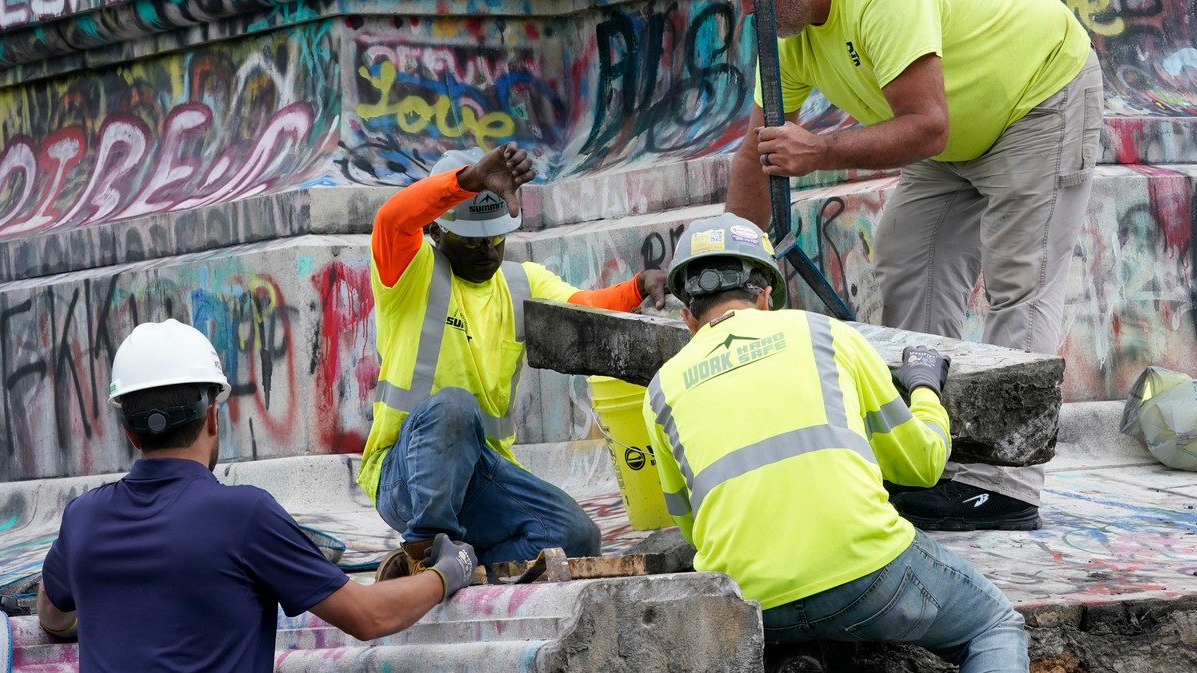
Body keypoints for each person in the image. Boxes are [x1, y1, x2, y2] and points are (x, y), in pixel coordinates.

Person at [725, 0, 1104, 531]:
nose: (747, 6)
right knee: (906, 262)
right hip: (954, 132)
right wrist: (723, 267)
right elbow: (755, 153)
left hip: (1037, 98)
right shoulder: (784, 35)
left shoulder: (880, 6)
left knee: (1021, 283)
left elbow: (927, 126)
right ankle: (925, 457)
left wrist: (820, 151)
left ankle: (1006, 485)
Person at [643, 214, 1029, 672]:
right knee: (994, 625)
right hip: (866, 573)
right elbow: (922, 464)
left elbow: (691, 525)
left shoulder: (659, 391)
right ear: (767, 296)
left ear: (688, 318)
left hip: (750, 599)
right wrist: (924, 385)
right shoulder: (826, 335)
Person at [36, 319, 478, 673]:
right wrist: (449, 571)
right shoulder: (243, 516)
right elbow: (368, 617)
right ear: (212, 416)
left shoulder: (82, 519)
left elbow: (52, 617)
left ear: (129, 432)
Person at [360, 142, 669, 578]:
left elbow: (584, 306)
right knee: (455, 405)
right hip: (406, 475)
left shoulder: (521, 284)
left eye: (496, 238)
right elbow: (392, 218)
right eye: (472, 241)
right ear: (436, 232)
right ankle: (425, 551)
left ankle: (457, 568)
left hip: (481, 473)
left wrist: (638, 286)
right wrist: (467, 180)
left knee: (576, 535)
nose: (487, 249)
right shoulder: (410, 271)